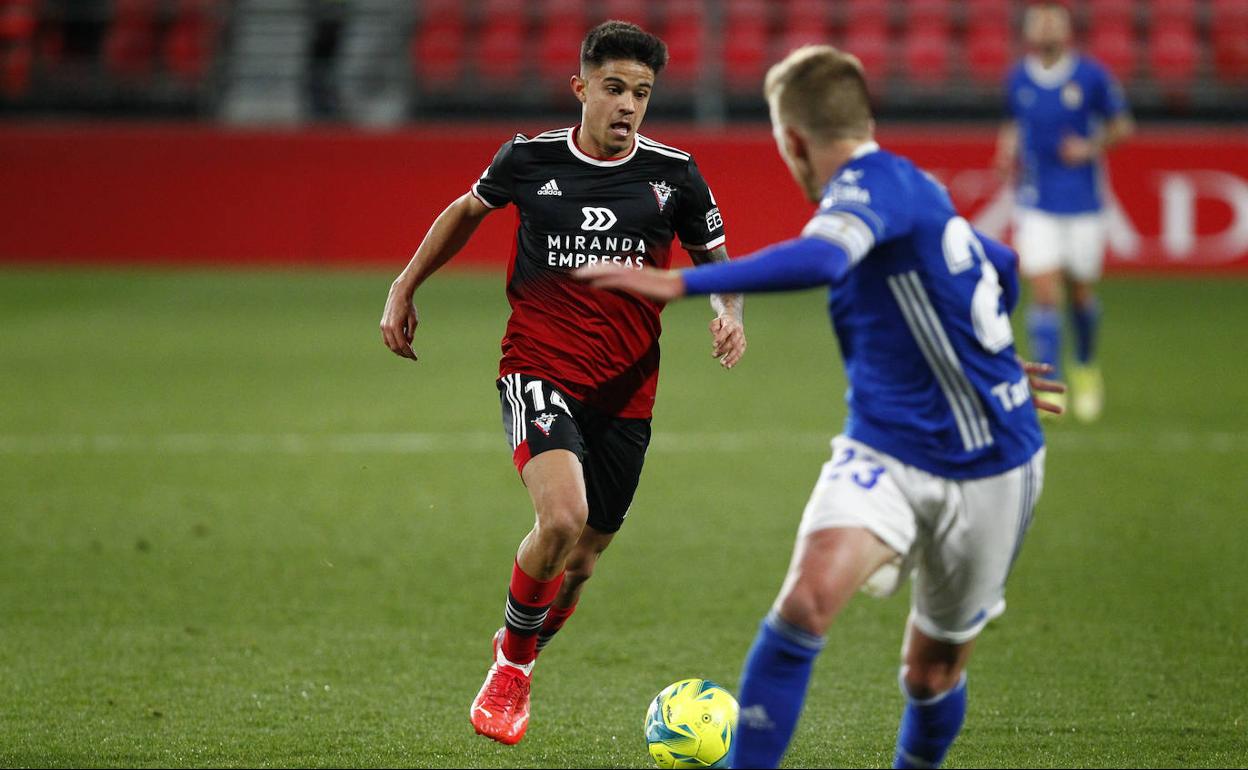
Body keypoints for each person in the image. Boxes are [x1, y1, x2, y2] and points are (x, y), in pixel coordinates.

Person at [576, 45, 1064, 769]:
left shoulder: (870, 192)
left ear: (793, 140)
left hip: (991, 465)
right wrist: (981, 354)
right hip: (885, 449)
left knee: (930, 672)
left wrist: (676, 286)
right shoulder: (912, 185)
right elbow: (1001, 267)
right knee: (804, 604)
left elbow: (824, 260)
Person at [378, 20, 745, 746]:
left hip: (627, 393)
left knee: (580, 564)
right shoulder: (528, 158)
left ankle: (520, 645)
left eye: (641, 92)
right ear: (581, 87)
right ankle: (513, 667)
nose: (628, 105)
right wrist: (404, 285)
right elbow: (466, 211)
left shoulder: (675, 174)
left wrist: (726, 310)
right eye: (613, 88)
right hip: (538, 368)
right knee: (561, 518)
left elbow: (716, 257)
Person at [994, 1, 1133, 422]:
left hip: (1083, 202)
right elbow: (1014, 122)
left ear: (1067, 30)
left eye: (1056, 21)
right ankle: (1049, 386)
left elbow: (1122, 126)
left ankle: (1086, 365)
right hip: (1036, 200)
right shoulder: (1017, 77)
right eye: (1041, 21)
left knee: (1080, 293)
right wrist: (1006, 147)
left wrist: (1089, 148)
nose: (1048, 28)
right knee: (1046, 291)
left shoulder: (1090, 76)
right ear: (1030, 32)